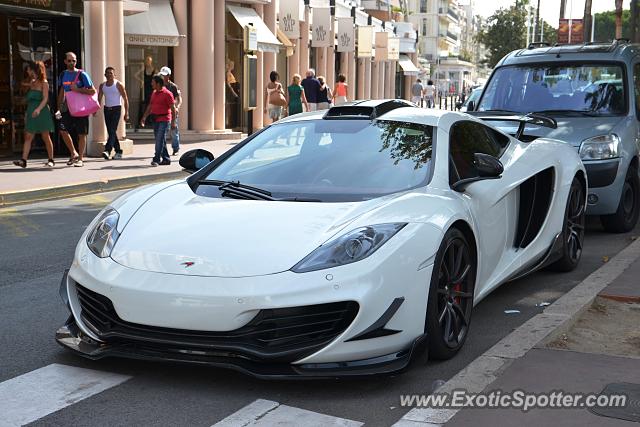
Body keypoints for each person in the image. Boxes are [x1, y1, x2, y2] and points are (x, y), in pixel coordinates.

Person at [55, 51, 96, 167]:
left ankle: (81, 159)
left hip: (80, 108)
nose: (72, 63)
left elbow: (93, 91)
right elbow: (62, 92)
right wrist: (58, 108)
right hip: (68, 108)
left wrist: (78, 90)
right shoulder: (63, 75)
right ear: (65, 62)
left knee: (82, 134)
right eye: (69, 60)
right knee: (63, 130)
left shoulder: (82, 74)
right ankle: (73, 153)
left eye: (74, 60)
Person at [13, 61, 55, 168]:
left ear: (33, 70)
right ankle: (23, 160)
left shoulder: (44, 82)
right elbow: (23, 85)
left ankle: (51, 159)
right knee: (28, 136)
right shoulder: (32, 82)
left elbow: (45, 99)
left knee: (45, 136)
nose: (27, 70)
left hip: (41, 111)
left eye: (28, 69)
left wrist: (38, 109)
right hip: (32, 111)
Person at [140, 75, 176, 166]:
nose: (151, 84)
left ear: (158, 83)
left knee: (159, 139)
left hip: (164, 119)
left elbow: (173, 109)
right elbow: (150, 106)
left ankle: (156, 159)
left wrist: (173, 122)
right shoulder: (154, 93)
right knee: (160, 140)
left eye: (153, 82)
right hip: (155, 119)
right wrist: (144, 117)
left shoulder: (168, 94)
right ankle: (166, 159)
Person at [97, 66, 129, 160]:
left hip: (116, 109)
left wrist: (126, 113)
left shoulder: (118, 84)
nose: (109, 75)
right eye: (107, 73)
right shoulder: (102, 85)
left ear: (114, 75)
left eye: (111, 73)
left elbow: (125, 99)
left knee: (112, 130)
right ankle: (118, 151)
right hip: (107, 109)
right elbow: (99, 98)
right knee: (111, 131)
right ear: (105, 75)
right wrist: (95, 109)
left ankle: (108, 150)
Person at [159, 66, 181, 155]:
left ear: (169, 76)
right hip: (162, 112)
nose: (163, 77)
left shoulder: (174, 87)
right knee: (162, 131)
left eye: (165, 75)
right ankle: (161, 150)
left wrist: (177, 107)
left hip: (172, 111)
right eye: (162, 75)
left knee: (174, 130)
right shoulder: (159, 86)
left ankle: (176, 148)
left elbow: (179, 98)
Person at [135, 55, 157, 128]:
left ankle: (150, 120)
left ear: (151, 61)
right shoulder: (143, 68)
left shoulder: (154, 69)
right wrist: (141, 81)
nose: (148, 62)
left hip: (152, 88)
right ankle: (143, 120)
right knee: (144, 103)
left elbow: (159, 75)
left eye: (149, 61)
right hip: (145, 88)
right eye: (147, 60)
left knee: (151, 103)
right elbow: (136, 75)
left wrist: (156, 83)